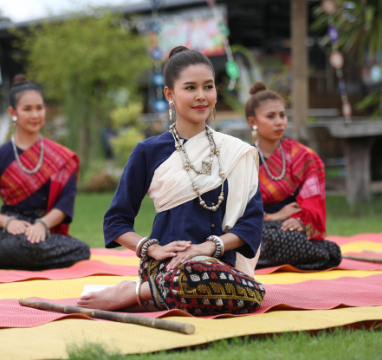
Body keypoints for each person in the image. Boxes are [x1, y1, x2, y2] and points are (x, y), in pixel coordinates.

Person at [77, 46, 265, 315]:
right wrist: (152, 249)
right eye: (190, 88)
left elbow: (252, 223)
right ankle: (151, 290)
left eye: (208, 87)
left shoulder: (236, 152)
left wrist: (208, 247)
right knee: (191, 277)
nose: (201, 96)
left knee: (252, 292)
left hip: (218, 269)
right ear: (169, 94)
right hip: (168, 267)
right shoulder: (148, 151)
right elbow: (116, 221)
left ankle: (138, 293)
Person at [0, 75, 90, 270]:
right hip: (11, 229)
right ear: (12, 112)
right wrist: (8, 222)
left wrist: (42, 225)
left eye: (40, 108)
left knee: (81, 250)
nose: (35, 115)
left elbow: (65, 204)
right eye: (27, 109)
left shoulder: (61, 157)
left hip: (44, 228)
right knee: (25, 245)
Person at [246, 81, 342, 271]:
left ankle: (258, 261)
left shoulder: (302, 155)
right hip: (259, 228)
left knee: (330, 250)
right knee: (257, 238)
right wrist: (272, 217)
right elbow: (236, 209)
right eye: (271, 116)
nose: (279, 121)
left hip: (292, 226)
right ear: (253, 122)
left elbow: (311, 200)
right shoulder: (243, 159)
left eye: (282, 115)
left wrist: (299, 220)